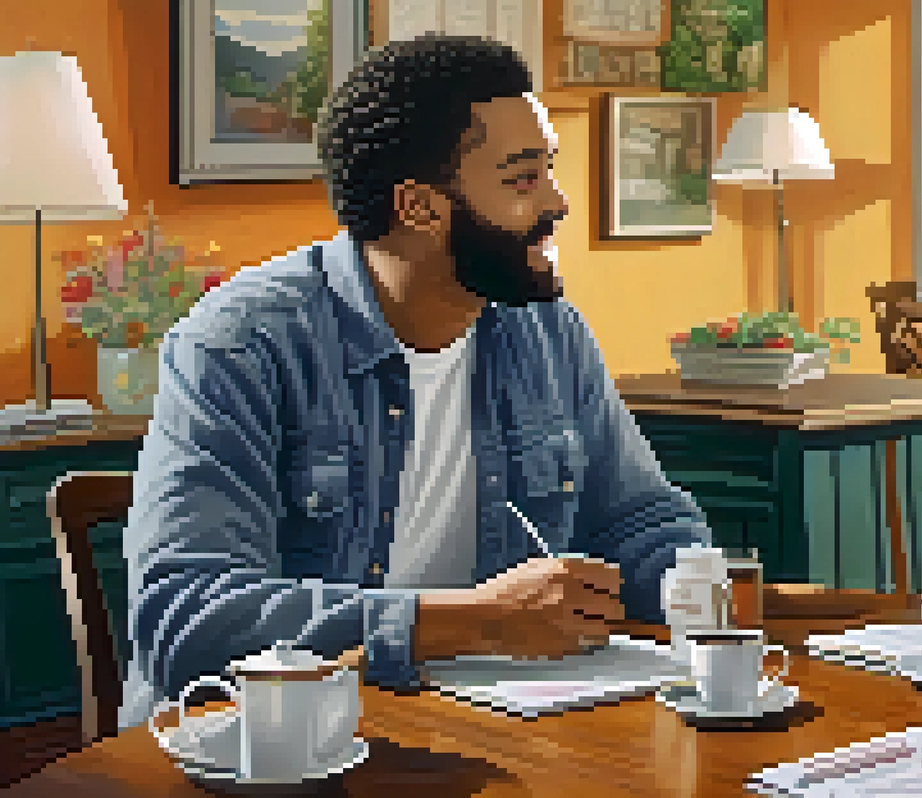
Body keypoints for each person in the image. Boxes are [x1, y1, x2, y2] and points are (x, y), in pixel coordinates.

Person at [119, 34, 712, 730]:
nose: (558, 202)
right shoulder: (241, 344)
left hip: (477, 725)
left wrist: (699, 587)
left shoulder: (548, 331)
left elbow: (639, 520)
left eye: (549, 169)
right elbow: (186, 617)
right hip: (256, 744)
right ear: (420, 208)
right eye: (523, 179)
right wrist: (478, 621)